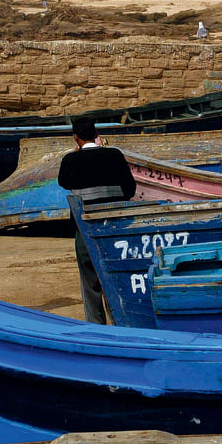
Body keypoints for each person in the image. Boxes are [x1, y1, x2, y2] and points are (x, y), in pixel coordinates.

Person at [58, 116, 136, 324]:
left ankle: (96, 326)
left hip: (86, 231)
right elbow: (130, 190)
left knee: (89, 282)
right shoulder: (115, 155)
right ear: (96, 134)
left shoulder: (70, 161)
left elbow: (63, 182)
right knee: (117, 277)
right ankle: (122, 320)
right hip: (116, 230)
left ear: (75, 137)